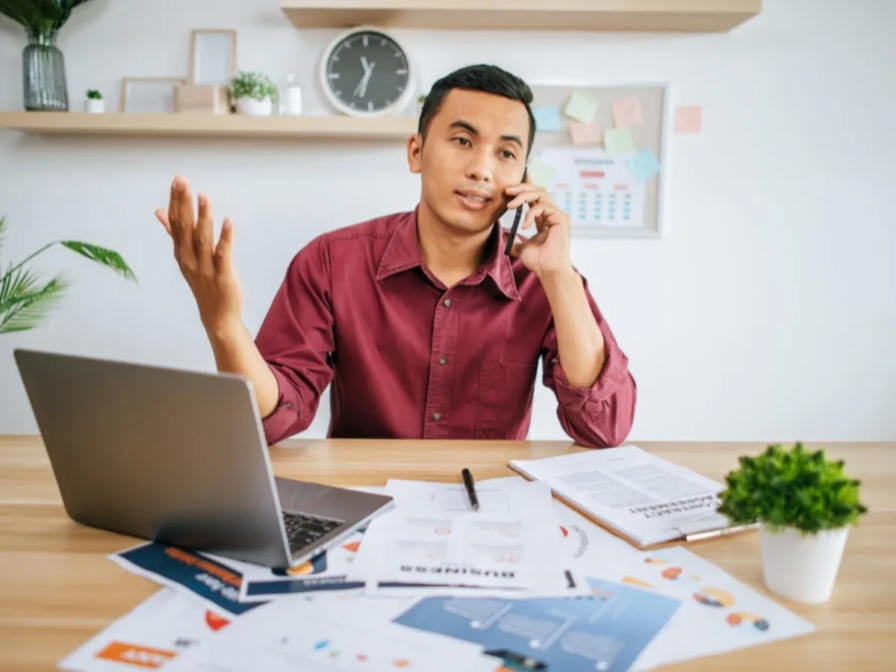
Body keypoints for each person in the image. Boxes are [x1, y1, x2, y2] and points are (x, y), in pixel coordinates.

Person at [154, 64, 637, 448]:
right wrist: (224, 325)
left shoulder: (542, 277)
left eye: (506, 154)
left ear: (522, 177)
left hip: (492, 508)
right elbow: (275, 419)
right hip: (365, 504)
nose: (481, 169)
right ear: (416, 151)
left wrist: (559, 277)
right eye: (463, 141)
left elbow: (603, 427)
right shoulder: (329, 261)